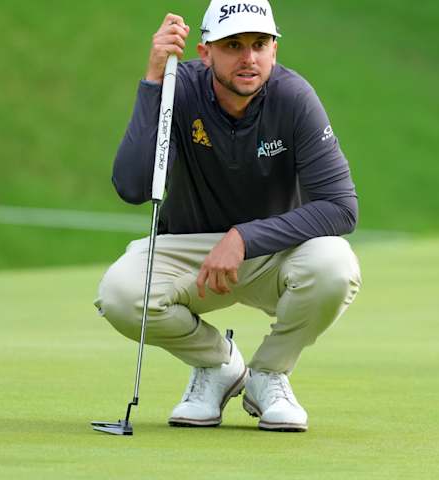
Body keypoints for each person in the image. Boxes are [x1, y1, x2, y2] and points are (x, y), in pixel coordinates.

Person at [94, 0, 361, 433]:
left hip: (273, 253)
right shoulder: (179, 90)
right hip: (191, 253)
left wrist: (243, 238)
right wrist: (153, 82)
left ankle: (268, 375)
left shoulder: (294, 98)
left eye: (260, 44)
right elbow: (132, 187)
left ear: (274, 50)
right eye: (233, 45)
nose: (248, 58)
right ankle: (219, 365)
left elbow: (341, 207)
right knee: (120, 294)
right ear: (205, 53)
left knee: (335, 264)